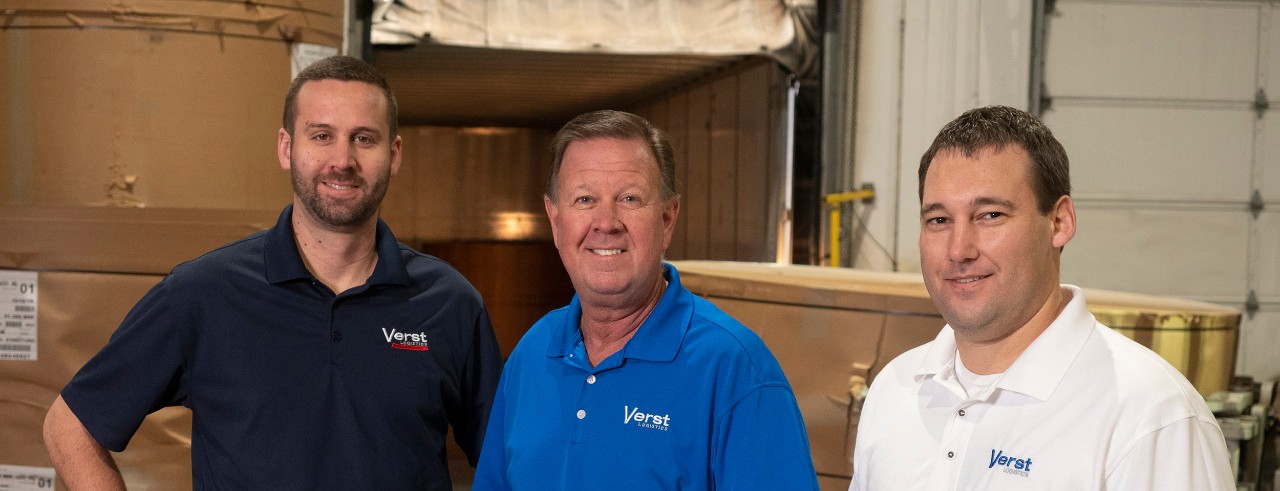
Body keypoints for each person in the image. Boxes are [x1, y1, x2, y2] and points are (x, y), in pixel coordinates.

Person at [42, 56, 503, 489]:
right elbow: (69, 426)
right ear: (287, 147)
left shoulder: (449, 304)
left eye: (364, 138)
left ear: (395, 153)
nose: (342, 160)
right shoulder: (203, 293)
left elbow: (507, 458)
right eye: (321, 136)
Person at [849, 105, 1234, 490]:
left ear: (1059, 222)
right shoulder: (894, 390)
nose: (959, 250)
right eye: (939, 220)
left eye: (991, 215)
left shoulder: (1152, 418)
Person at [472, 110, 818, 490]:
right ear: (555, 221)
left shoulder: (735, 371)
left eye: (630, 198)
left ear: (667, 219)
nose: (606, 223)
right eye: (585, 199)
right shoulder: (532, 354)